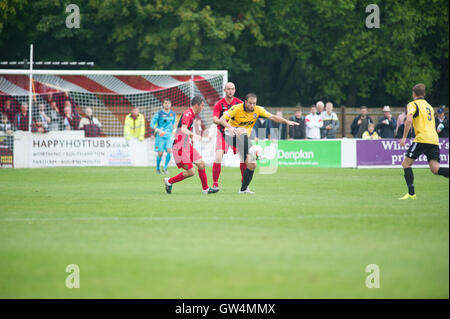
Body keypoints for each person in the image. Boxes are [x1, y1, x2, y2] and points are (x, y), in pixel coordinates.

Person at [218, 93, 299, 194]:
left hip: (243, 140)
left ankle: (243, 189)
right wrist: (231, 128)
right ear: (245, 102)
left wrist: (286, 121)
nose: (252, 106)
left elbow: (273, 117)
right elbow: (221, 119)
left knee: (252, 164)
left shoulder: (258, 110)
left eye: (254, 103)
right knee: (242, 131)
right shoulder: (236, 108)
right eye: (250, 103)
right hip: (230, 136)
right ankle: (255, 151)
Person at [399, 83, 449, 200]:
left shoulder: (412, 104)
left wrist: (404, 138)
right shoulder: (429, 106)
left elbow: (409, 120)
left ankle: (411, 194)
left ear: (414, 94)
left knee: (406, 164)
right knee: (435, 169)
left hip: (422, 138)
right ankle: (411, 194)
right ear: (424, 94)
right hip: (434, 139)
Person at [164, 96, 218, 195]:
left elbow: (186, 128)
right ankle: (169, 181)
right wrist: (194, 135)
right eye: (202, 105)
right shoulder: (188, 114)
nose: (203, 108)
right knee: (191, 172)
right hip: (179, 145)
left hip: (186, 144)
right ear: (197, 105)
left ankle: (205, 189)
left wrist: (191, 138)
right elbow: (183, 129)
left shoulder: (192, 114)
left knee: (201, 164)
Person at [211, 82, 244, 190]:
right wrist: (225, 124)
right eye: (228, 89)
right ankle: (215, 183)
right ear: (225, 90)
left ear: (235, 90)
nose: (230, 91)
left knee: (244, 157)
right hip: (222, 133)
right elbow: (215, 119)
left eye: (232, 89)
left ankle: (244, 181)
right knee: (218, 156)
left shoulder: (240, 103)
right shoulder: (219, 104)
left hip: (236, 134)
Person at [150, 99, 176, 174]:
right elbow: (152, 123)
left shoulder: (173, 114)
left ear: (170, 104)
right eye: (165, 103)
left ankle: (165, 167)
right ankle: (158, 168)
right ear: (163, 104)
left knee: (169, 150)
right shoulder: (159, 113)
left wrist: (174, 130)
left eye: (168, 103)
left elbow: (173, 123)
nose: (167, 104)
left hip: (169, 136)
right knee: (160, 153)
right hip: (160, 136)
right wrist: (156, 129)